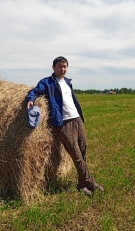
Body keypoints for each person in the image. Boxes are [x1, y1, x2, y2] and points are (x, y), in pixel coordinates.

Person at [26, 56, 104, 196]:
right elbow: (35, 91)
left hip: (77, 119)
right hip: (63, 123)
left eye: (65, 66)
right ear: (53, 67)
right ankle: (91, 183)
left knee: (83, 149)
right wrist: (31, 100)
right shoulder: (47, 82)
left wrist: (79, 117)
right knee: (76, 153)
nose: (62, 69)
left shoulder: (67, 82)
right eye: (59, 66)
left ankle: (82, 184)